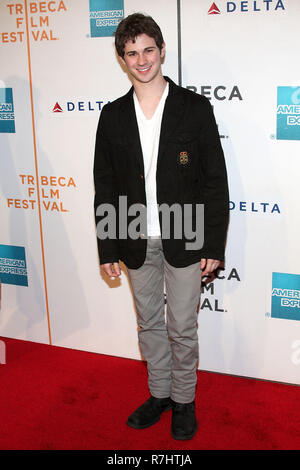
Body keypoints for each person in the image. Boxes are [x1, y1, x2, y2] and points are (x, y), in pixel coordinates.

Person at [93, 13, 229, 440]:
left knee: (182, 327)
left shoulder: (194, 108)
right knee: (149, 323)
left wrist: (213, 242)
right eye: (131, 53)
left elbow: (214, 180)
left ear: (162, 50)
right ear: (122, 59)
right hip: (133, 234)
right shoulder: (112, 116)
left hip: (186, 233)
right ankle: (161, 394)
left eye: (148, 49)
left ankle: (185, 401)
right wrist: (107, 248)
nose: (141, 60)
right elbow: (106, 184)